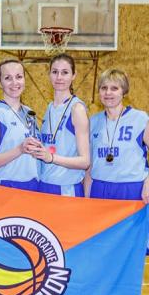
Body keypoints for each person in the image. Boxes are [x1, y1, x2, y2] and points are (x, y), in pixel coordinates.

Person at [83, 68, 149, 295]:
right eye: (104, 88)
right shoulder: (93, 122)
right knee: (101, 265)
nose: (108, 93)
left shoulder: (140, 119)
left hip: (131, 195)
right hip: (101, 194)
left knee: (129, 268)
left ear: (124, 91)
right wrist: (87, 198)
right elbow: (88, 166)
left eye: (114, 88)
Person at [32, 53, 90, 196]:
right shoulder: (50, 107)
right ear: (49, 74)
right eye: (55, 72)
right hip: (44, 184)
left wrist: (52, 158)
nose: (59, 77)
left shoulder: (77, 109)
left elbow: (85, 161)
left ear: (73, 75)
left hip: (66, 188)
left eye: (65, 72)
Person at [0, 59, 41, 191]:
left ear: (24, 80)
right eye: (8, 78)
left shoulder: (29, 113)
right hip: (5, 186)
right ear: (0, 83)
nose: (14, 82)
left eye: (19, 77)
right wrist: (20, 149)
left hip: (31, 185)